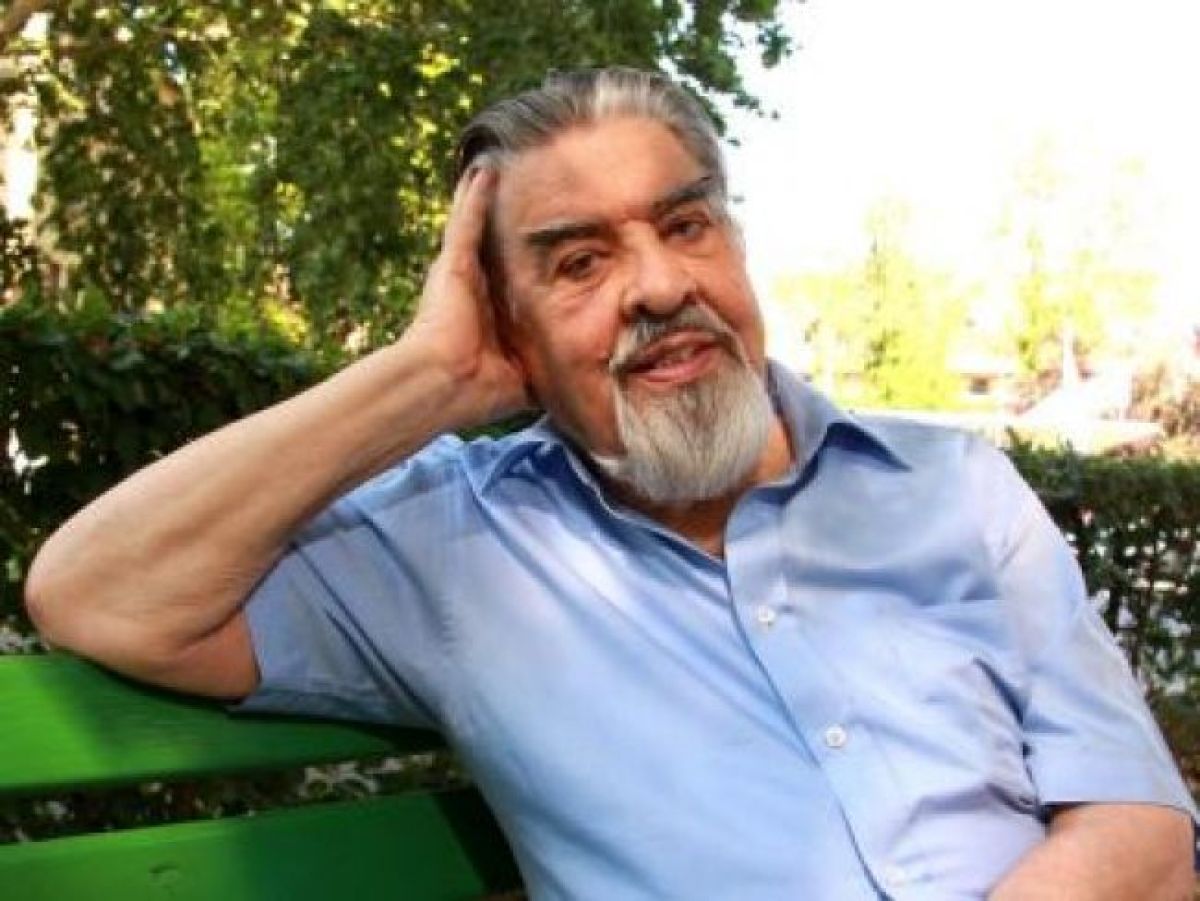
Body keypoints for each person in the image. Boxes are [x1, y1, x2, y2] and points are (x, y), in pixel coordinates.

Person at [25, 67, 1197, 899]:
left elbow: (1142, 831)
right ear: (510, 332)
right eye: (579, 261)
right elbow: (98, 593)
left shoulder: (953, 488)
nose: (657, 286)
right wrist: (427, 376)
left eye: (685, 226)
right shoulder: (457, 547)